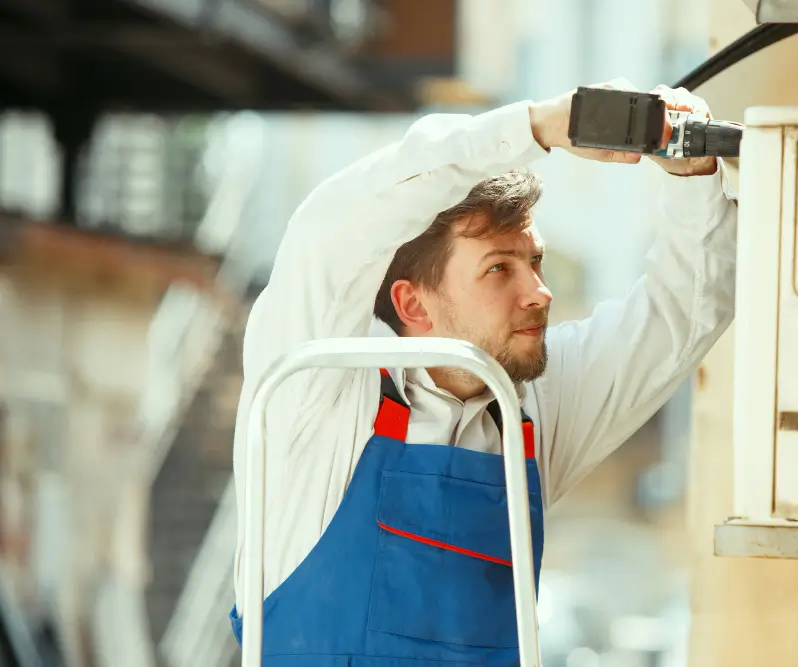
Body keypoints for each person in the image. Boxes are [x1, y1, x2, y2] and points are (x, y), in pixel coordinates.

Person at [227, 79, 738, 666]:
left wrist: (694, 177)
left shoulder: (530, 411)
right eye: (500, 269)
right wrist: (537, 127)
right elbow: (332, 226)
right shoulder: (317, 395)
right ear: (413, 304)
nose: (539, 293)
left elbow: (682, 313)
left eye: (535, 262)